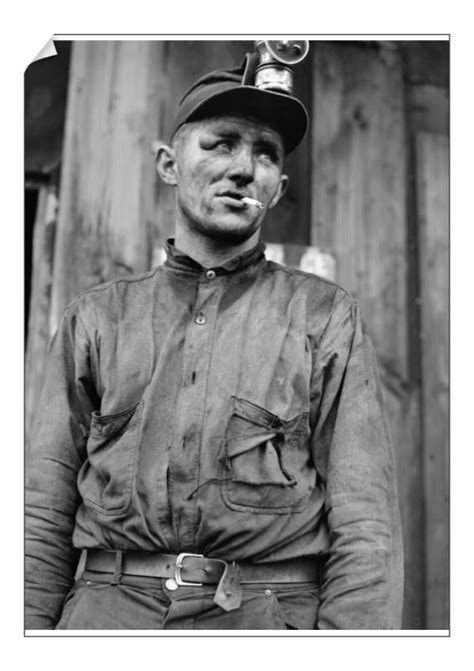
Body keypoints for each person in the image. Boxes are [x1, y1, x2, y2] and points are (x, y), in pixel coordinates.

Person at [25, 50, 404, 631]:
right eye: (221, 143)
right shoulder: (96, 319)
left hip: (265, 619)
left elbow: (366, 524)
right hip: (108, 617)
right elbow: (41, 513)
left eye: (266, 154)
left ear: (276, 189)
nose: (244, 167)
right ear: (169, 163)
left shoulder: (324, 316)